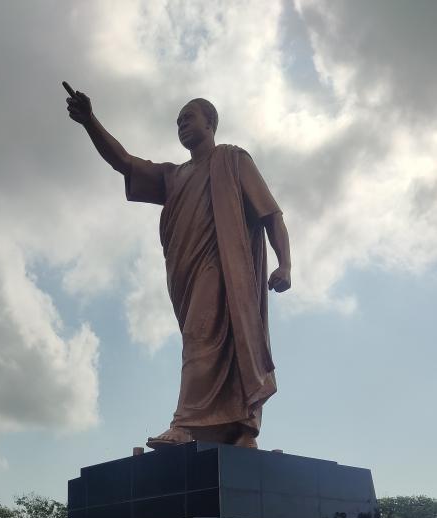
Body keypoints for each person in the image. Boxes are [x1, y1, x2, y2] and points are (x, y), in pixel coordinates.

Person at [64, 85, 292, 449]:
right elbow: (124, 162)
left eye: (188, 118)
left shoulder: (233, 160)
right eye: (177, 122)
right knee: (204, 338)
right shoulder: (174, 176)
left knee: (202, 336)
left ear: (210, 123)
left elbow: (271, 214)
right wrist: (90, 121)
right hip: (186, 274)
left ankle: (186, 424)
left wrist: (285, 264)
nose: (182, 125)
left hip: (225, 268)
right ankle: (239, 429)